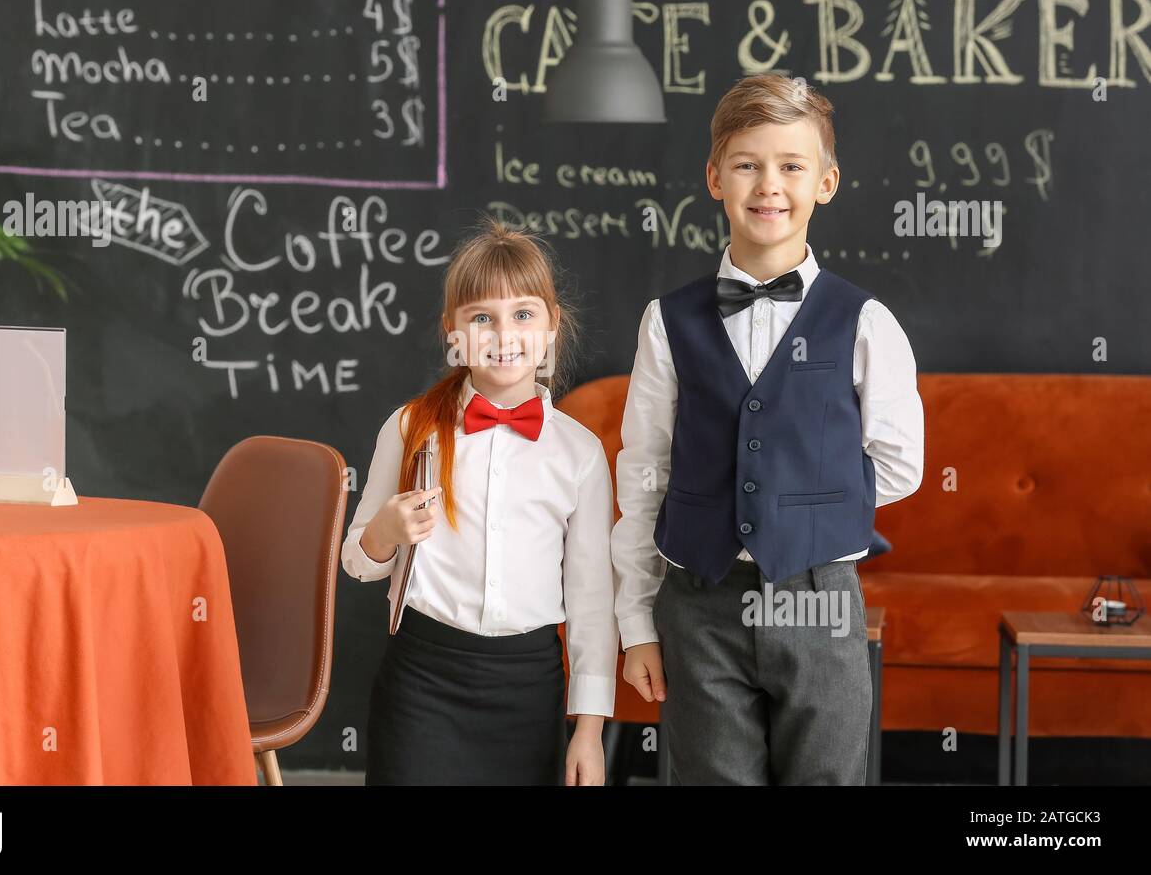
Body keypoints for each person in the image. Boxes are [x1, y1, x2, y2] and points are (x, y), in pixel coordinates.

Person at [613, 74, 925, 784]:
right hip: (699, 605)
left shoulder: (865, 323)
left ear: (826, 182)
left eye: (791, 165)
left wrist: (801, 508)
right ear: (715, 178)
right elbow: (643, 472)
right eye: (747, 164)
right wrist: (637, 624)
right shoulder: (669, 320)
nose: (768, 185)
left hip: (819, 599)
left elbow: (901, 464)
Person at [341, 216, 618, 785]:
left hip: (528, 689)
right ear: (453, 332)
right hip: (422, 683)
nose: (502, 334)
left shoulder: (580, 453)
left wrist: (587, 732)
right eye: (481, 318)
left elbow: (591, 604)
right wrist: (384, 534)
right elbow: (356, 562)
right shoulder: (411, 428)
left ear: (550, 328)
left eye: (522, 314)